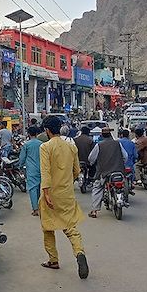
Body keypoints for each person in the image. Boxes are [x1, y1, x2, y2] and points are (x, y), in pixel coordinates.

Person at [38, 116, 89, 279]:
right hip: (66, 194)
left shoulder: (45, 147)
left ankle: (53, 260)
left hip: (50, 194)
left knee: (48, 227)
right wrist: (67, 181)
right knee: (71, 227)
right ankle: (79, 252)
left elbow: (45, 172)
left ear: (47, 130)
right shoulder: (70, 147)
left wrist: (46, 193)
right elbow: (77, 171)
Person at [88, 127, 127, 218]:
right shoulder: (118, 143)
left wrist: (92, 163)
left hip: (104, 173)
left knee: (97, 188)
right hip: (119, 171)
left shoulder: (99, 145)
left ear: (102, 135)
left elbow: (91, 158)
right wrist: (121, 163)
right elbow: (125, 156)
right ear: (110, 135)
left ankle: (94, 211)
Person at [19, 126, 43, 216]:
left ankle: (36, 209)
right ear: (37, 134)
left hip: (31, 169)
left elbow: (22, 158)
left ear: (28, 134)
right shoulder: (41, 144)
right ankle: (41, 206)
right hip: (41, 168)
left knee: (33, 189)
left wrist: (20, 166)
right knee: (40, 189)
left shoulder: (26, 145)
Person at [118, 129, 138, 202]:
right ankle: (131, 183)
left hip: (119, 165)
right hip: (129, 165)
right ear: (128, 135)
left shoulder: (118, 142)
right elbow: (135, 155)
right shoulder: (131, 143)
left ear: (122, 135)